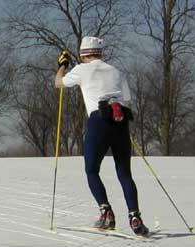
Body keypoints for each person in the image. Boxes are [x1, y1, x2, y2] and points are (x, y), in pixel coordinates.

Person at [55, 36, 149, 236]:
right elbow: (127, 98)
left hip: (98, 121)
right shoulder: (116, 71)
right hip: (120, 120)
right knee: (124, 173)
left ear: (83, 54)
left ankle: (106, 212)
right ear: (100, 52)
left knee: (91, 170)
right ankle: (135, 216)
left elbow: (58, 83)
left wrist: (63, 65)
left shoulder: (81, 70)